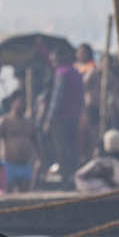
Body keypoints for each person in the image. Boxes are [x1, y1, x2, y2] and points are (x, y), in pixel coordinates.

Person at [42, 43, 85, 180]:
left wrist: (49, 119)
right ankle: (73, 175)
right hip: (75, 116)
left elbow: (57, 97)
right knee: (73, 147)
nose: (53, 63)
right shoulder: (76, 72)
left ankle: (66, 177)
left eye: (54, 60)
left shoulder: (61, 73)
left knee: (62, 148)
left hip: (61, 117)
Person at [0, 93, 39, 193]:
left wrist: (40, 159)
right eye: (20, 102)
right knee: (8, 194)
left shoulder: (29, 123)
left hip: (25, 164)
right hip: (8, 164)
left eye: (24, 103)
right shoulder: (4, 121)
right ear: (13, 103)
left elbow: (36, 142)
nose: (23, 105)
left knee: (26, 195)